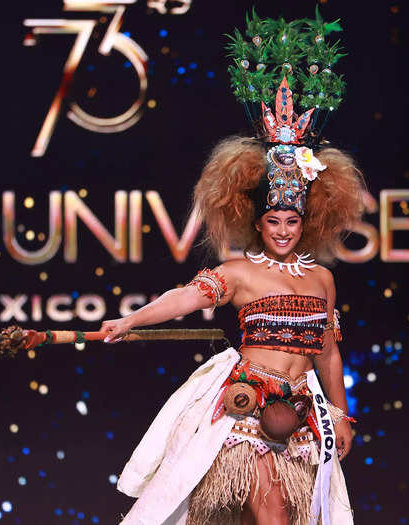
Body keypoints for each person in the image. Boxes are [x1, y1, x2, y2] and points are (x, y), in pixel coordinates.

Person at [101, 10, 366, 525]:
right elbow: (183, 298)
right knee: (270, 514)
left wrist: (341, 414)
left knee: (294, 515)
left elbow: (328, 351)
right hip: (246, 408)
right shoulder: (241, 272)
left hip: (306, 418)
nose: (284, 230)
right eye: (274, 220)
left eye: (292, 220)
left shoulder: (322, 279)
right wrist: (131, 319)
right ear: (258, 221)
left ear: (304, 221)